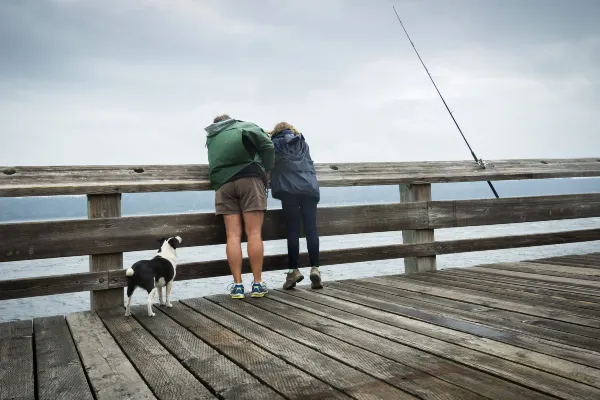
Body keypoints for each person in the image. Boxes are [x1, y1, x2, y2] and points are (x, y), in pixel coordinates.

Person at [205, 114, 274, 298]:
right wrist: (267, 169)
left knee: (232, 235)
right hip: (250, 179)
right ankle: (257, 285)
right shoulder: (244, 126)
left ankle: (237, 286)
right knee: (254, 233)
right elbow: (268, 145)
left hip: (223, 184)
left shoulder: (212, 137)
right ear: (230, 120)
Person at [269, 122, 322, 290]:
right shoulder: (302, 143)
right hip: (308, 188)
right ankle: (316, 268)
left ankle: (293, 271)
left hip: (288, 190)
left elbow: (269, 164)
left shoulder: (274, 144)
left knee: (292, 230)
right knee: (311, 229)